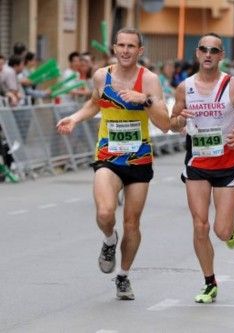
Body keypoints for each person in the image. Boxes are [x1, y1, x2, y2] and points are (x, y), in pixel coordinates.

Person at [56, 28, 170, 300]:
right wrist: (75, 117)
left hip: (139, 158)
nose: (126, 50)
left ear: (140, 51)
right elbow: (95, 104)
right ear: (114, 48)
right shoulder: (101, 75)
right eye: (121, 45)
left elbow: (164, 124)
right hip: (108, 156)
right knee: (106, 213)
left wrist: (145, 100)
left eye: (131, 46)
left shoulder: (149, 80)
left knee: (132, 223)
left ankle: (123, 276)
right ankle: (109, 240)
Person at [170, 33, 234, 304]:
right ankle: (209, 282)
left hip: (226, 164)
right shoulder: (185, 88)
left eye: (214, 50)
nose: (208, 54)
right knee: (200, 226)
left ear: (221, 56)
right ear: (197, 54)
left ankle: (231, 230)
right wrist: (178, 120)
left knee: (221, 231)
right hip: (196, 162)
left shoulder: (233, 86)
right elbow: (173, 122)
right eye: (204, 49)